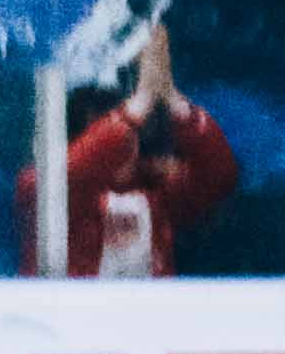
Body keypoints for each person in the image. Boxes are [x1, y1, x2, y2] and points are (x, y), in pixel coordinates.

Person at [16, 24, 239, 277]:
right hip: (69, 315)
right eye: (103, 121)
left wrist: (172, 99)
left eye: (118, 113)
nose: (125, 137)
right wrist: (139, 104)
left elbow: (220, 176)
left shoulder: (161, 192)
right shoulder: (38, 187)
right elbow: (64, 178)